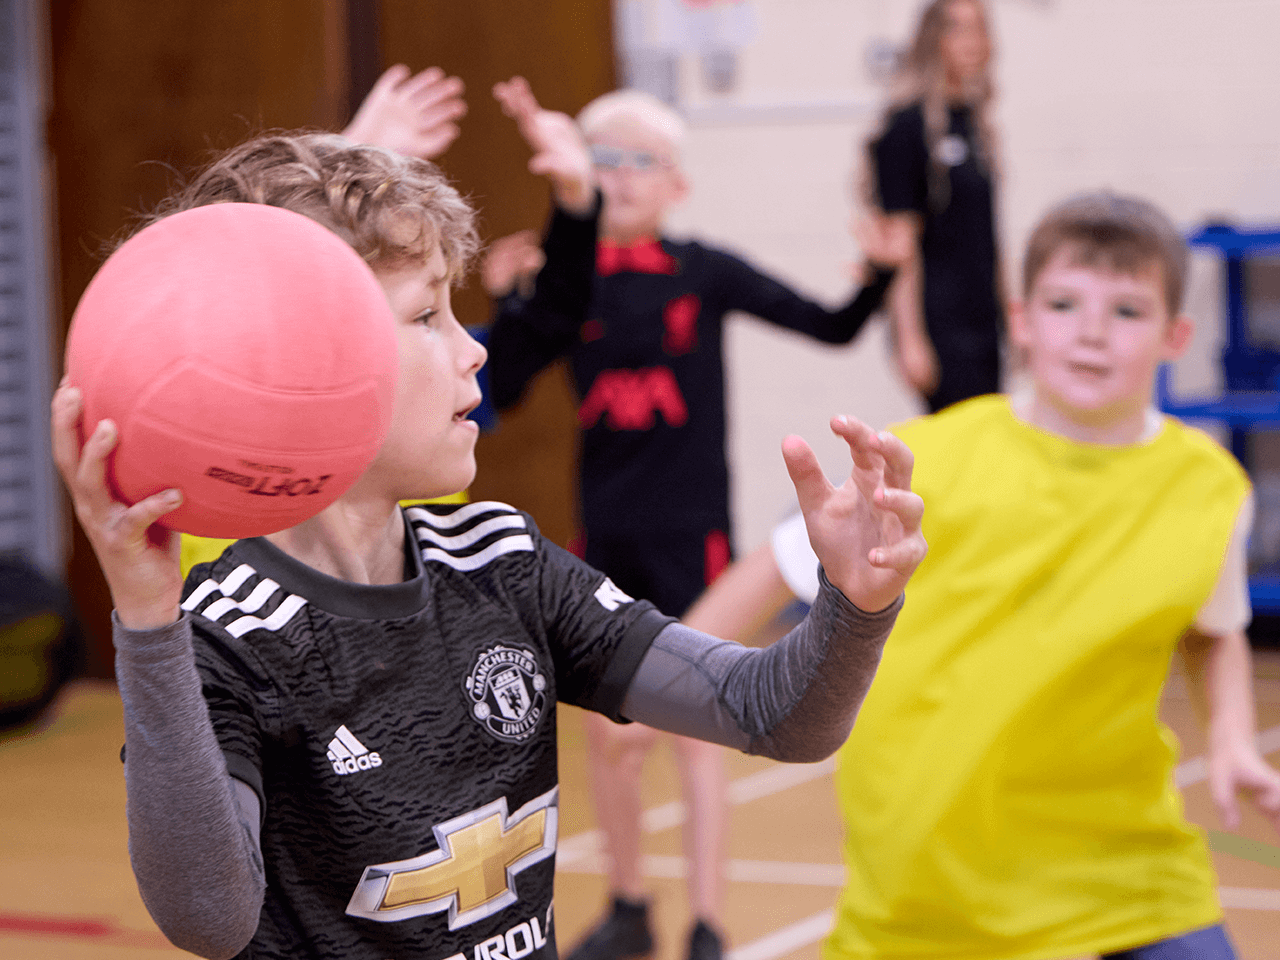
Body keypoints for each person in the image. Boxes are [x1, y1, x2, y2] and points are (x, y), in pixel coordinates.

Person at [50, 120, 927, 960]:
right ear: (304, 365)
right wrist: (148, 623)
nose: (473, 350)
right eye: (426, 315)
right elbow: (209, 916)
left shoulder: (499, 560)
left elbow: (778, 714)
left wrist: (855, 602)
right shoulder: (223, 636)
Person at [681, 191, 1280, 960]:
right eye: (1065, 304)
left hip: (1128, 869)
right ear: (1023, 321)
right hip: (931, 884)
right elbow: (774, 568)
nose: (1093, 331)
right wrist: (649, 679)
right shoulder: (929, 459)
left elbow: (1214, 627)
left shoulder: (1210, 486)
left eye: (1127, 311)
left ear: (1176, 335)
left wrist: (1231, 738)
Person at [483, 86, 904, 960]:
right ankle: (631, 905)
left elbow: (830, 325)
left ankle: (708, 922)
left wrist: (879, 275)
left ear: (677, 182)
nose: (622, 175)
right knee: (606, 732)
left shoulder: (704, 268)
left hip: (692, 532)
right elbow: (507, 375)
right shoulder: (563, 281)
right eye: (604, 158)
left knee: (694, 726)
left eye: (642, 160)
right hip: (607, 530)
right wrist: (507, 301)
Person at [872, 0, 1003, 412]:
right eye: (958, 30)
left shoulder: (973, 122)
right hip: (941, 324)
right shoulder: (906, 127)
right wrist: (909, 338)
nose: (973, 42)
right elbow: (900, 243)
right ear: (933, 40)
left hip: (984, 319)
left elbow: (988, 235)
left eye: (980, 29)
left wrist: (1013, 314)